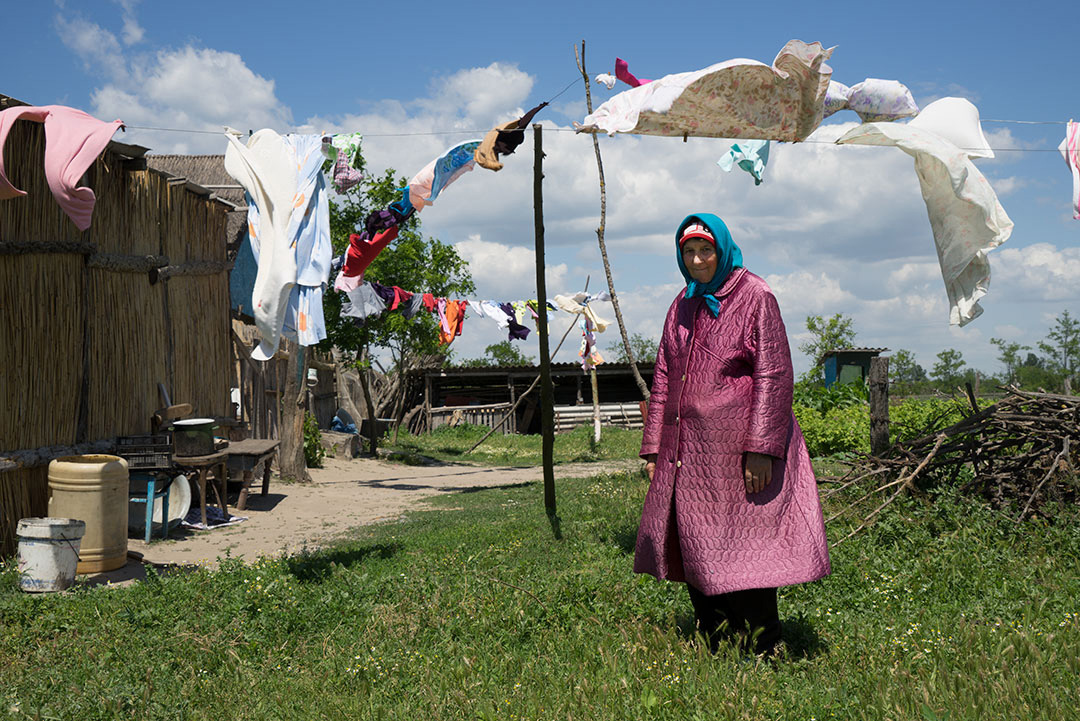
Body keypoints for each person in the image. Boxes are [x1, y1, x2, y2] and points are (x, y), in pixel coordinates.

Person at [636, 213, 830, 657]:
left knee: (747, 543)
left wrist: (762, 449)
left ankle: (765, 643)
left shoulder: (755, 296)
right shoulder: (682, 304)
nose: (698, 259)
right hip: (690, 452)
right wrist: (653, 449)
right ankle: (716, 638)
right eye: (689, 252)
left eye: (706, 250)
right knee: (696, 539)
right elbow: (664, 375)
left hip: (740, 450)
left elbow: (774, 373)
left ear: (722, 249)